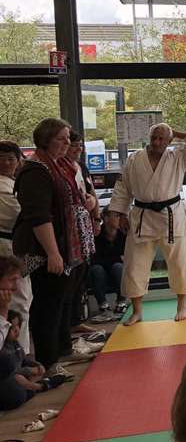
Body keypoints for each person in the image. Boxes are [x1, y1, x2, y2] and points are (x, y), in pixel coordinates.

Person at [12, 118, 94, 370]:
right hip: (45, 249)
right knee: (48, 304)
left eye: (68, 138)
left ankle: (63, 349)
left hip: (65, 245)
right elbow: (39, 216)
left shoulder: (60, 165)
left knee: (62, 299)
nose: (67, 143)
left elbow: (71, 200)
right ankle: (48, 360)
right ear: (45, 139)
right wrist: (53, 253)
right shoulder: (36, 171)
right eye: (61, 138)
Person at [109, 123, 186, 326]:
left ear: (170, 141)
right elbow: (123, 187)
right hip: (142, 216)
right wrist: (117, 213)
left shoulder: (178, 156)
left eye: (162, 138)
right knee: (134, 265)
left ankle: (182, 306)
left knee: (180, 262)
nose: (156, 142)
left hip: (171, 215)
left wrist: (176, 133)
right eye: (154, 137)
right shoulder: (134, 159)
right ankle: (137, 311)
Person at [0, 140, 32, 351]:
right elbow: (21, 215)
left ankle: (22, 353)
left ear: (19, 160)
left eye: (10, 159)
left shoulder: (12, 182)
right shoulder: (2, 186)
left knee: (23, 300)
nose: (6, 163)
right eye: (1, 159)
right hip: (7, 247)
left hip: (16, 245)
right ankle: (19, 355)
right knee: (17, 302)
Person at [0, 309, 50, 411]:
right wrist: (29, 370)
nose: (16, 330)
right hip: (13, 376)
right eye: (11, 327)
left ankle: (32, 387)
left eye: (18, 326)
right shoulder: (4, 348)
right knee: (18, 378)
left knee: (36, 373)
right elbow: (11, 370)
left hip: (21, 375)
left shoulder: (15, 344)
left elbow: (24, 359)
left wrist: (37, 365)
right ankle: (37, 387)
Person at [88, 208, 126, 321]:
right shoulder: (97, 235)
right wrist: (117, 258)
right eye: (117, 216)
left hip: (117, 272)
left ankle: (121, 303)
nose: (120, 219)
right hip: (100, 273)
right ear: (106, 218)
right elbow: (95, 259)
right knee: (97, 269)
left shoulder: (124, 235)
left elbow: (127, 258)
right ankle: (103, 307)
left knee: (119, 267)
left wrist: (112, 259)